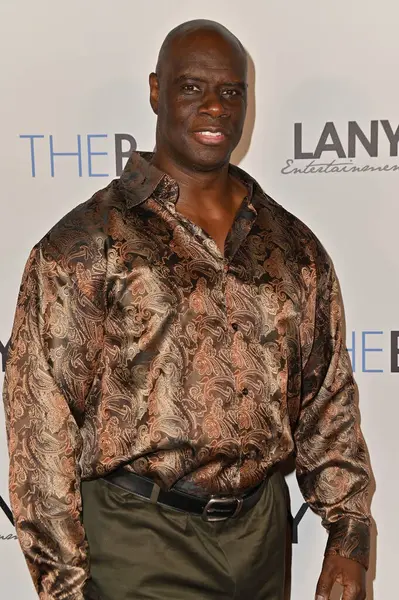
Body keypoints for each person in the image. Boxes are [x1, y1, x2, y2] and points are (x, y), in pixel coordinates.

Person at [3, 18, 371, 600]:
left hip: (261, 539)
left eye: (231, 92)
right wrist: (63, 586)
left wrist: (349, 533)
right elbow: (40, 429)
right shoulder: (83, 245)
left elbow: (327, 399)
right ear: (156, 90)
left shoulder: (293, 247)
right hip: (136, 541)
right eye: (192, 87)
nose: (215, 108)